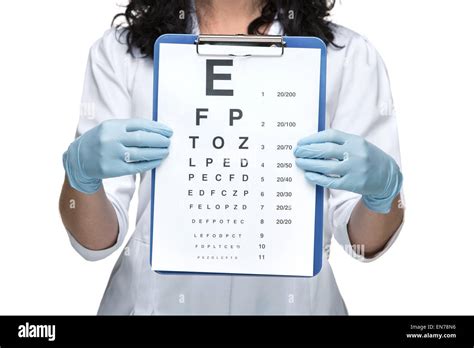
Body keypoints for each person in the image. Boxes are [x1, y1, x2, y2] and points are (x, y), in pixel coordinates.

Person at [59, 0, 404, 315]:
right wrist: (81, 177)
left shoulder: (348, 57)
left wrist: (381, 193)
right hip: (155, 303)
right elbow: (96, 242)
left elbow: (363, 243)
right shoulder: (121, 54)